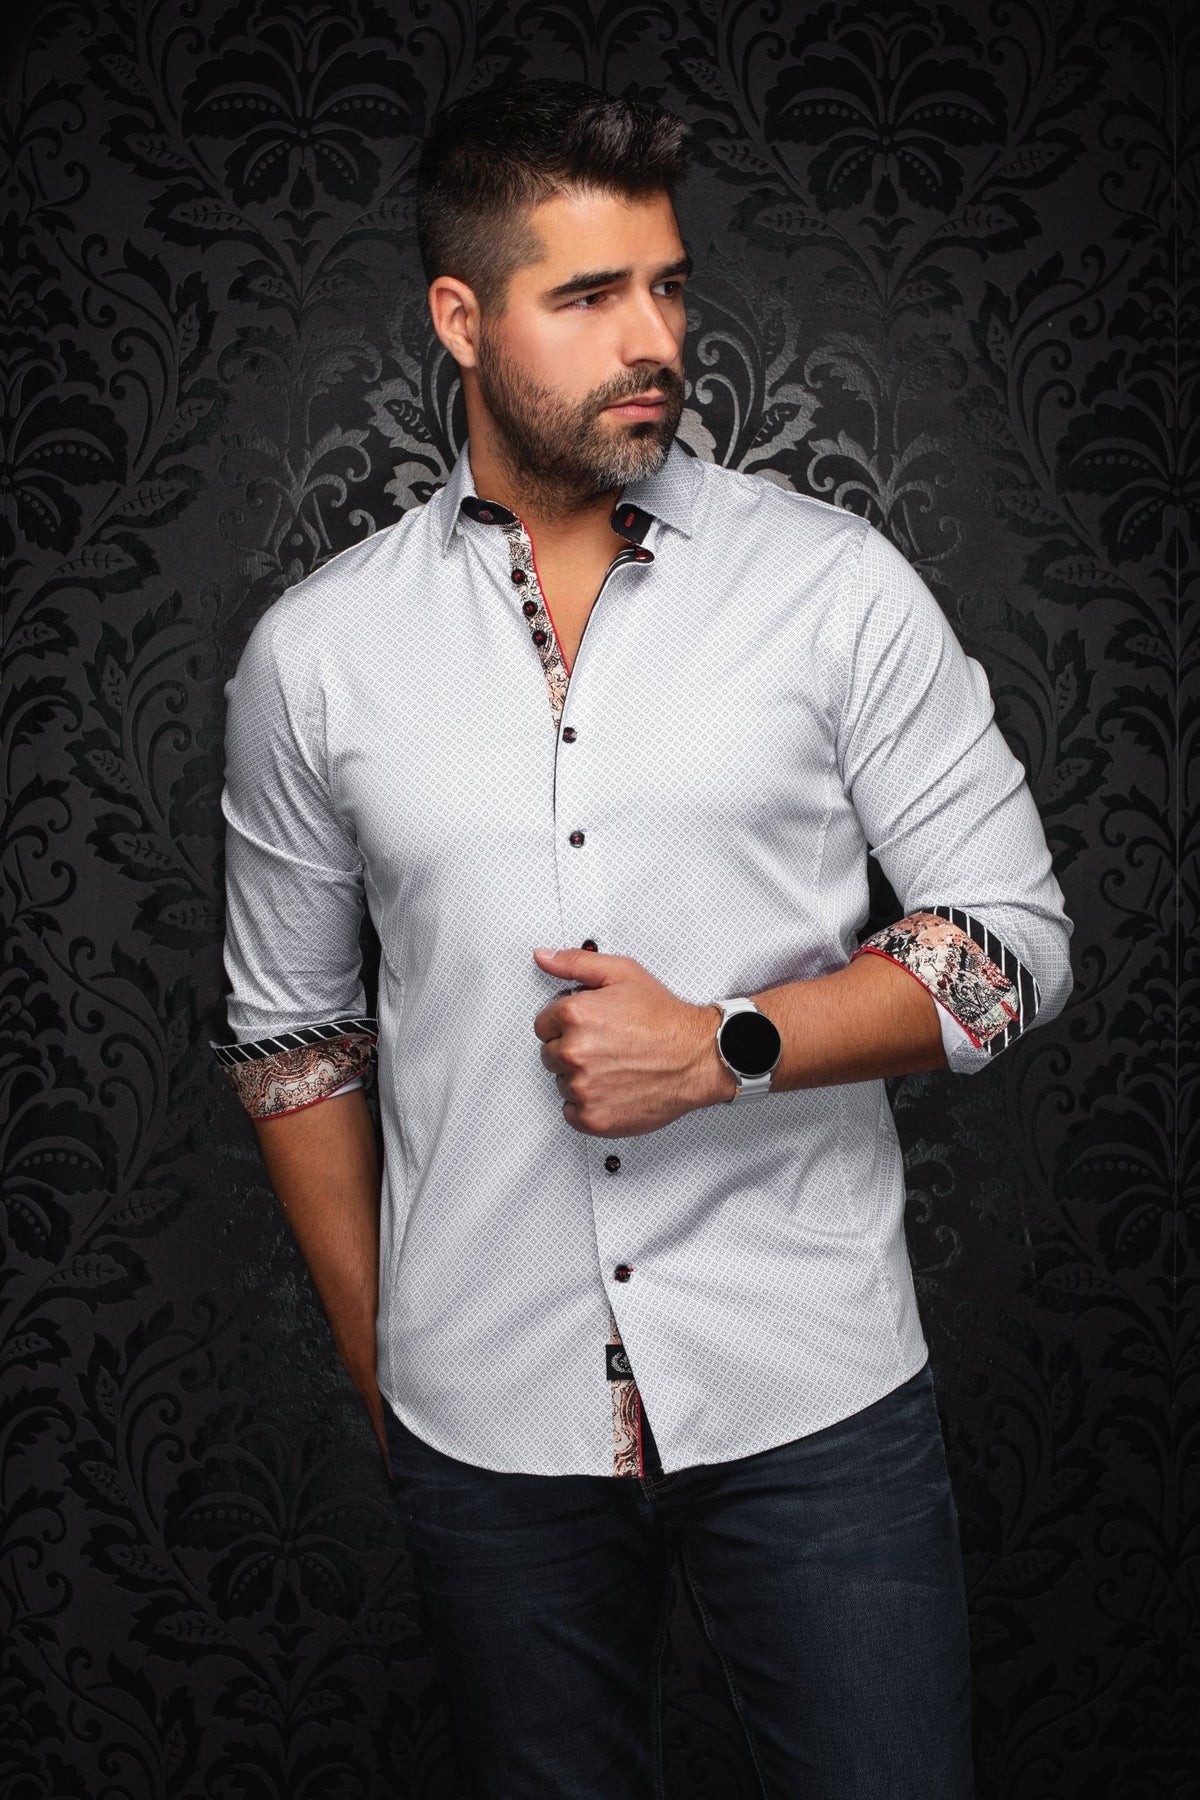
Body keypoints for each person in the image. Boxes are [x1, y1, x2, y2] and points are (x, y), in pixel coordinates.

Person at [214, 78, 1072, 1800]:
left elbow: (1015, 940)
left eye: (668, 285)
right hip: (485, 1426)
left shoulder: (834, 588)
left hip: (813, 1394)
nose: (653, 339)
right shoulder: (315, 657)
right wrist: (398, 1379)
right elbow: (292, 1042)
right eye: (590, 295)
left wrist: (727, 1047)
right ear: (461, 318)